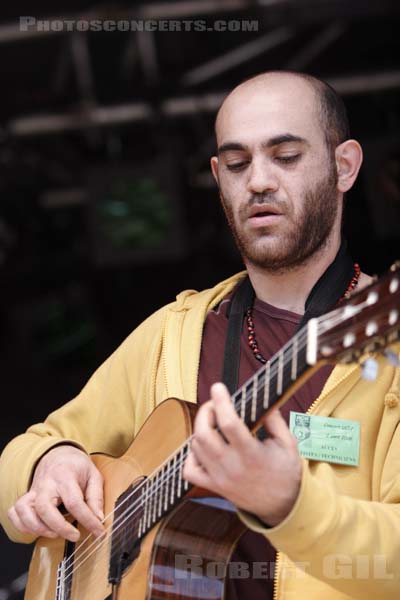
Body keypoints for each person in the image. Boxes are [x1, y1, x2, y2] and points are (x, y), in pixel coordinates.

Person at [0, 71, 399, 600]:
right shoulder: (175, 331)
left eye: (285, 156)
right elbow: (28, 448)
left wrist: (291, 507)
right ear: (218, 175)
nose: (258, 180)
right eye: (237, 163)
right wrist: (47, 465)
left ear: (344, 167)